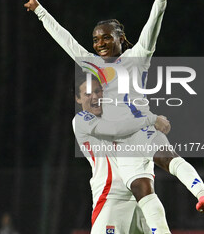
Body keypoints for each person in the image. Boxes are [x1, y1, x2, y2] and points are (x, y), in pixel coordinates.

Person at [22, 0, 204, 232]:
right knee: (143, 189)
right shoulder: (94, 65)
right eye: (96, 40)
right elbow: (67, 41)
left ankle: (203, 195)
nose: (100, 43)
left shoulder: (138, 57)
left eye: (106, 37)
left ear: (121, 38)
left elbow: (154, 24)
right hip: (123, 143)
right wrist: (40, 11)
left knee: (168, 159)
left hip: (144, 130)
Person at [73, 72, 171, 234]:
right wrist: (152, 120)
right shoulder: (82, 120)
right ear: (78, 99)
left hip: (142, 197)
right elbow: (114, 130)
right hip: (112, 198)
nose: (95, 97)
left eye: (98, 91)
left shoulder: (124, 115)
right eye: (88, 93)